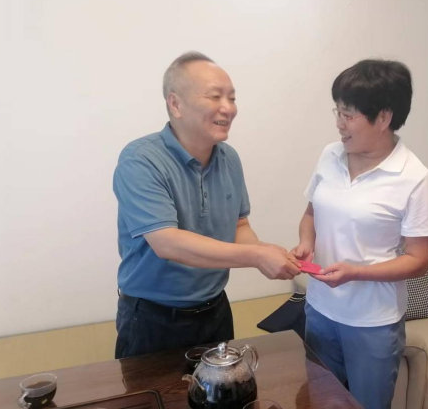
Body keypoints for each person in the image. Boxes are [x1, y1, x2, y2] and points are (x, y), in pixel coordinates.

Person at [113, 51, 299, 359]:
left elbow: (239, 226)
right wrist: (256, 256)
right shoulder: (140, 160)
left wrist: (269, 253)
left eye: (232, 98)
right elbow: (166, 243)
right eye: (215, 96)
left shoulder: (229, 158)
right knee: (152, 394)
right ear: (176, 104)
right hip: (153, 319)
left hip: (216, 311)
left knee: (224, 390)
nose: (228, 108)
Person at [291, 59, 428, 409]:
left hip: (372, 323)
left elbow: (418, 260)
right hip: (320, 310)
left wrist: (356, 272)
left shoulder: (415, 178)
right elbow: (310, 213)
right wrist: (306, 242)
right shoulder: (330, 155)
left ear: (384, 117)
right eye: (337, 112)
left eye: (348, 114)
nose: (339, 124)